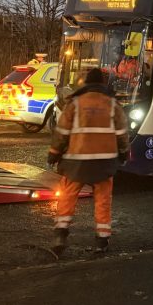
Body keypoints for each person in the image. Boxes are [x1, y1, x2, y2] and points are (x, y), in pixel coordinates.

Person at [47, 67, 130, 256]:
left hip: (77, 160)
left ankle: (60, 234)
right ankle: (102, 240)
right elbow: (122, 134)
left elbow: (61, 133)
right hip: (105, 162)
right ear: (102, 84)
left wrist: (54, 153)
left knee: (68, 195)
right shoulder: (112, 104)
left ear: (86, 83)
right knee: (103, 200)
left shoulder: (75, 104)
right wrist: (125, 153)